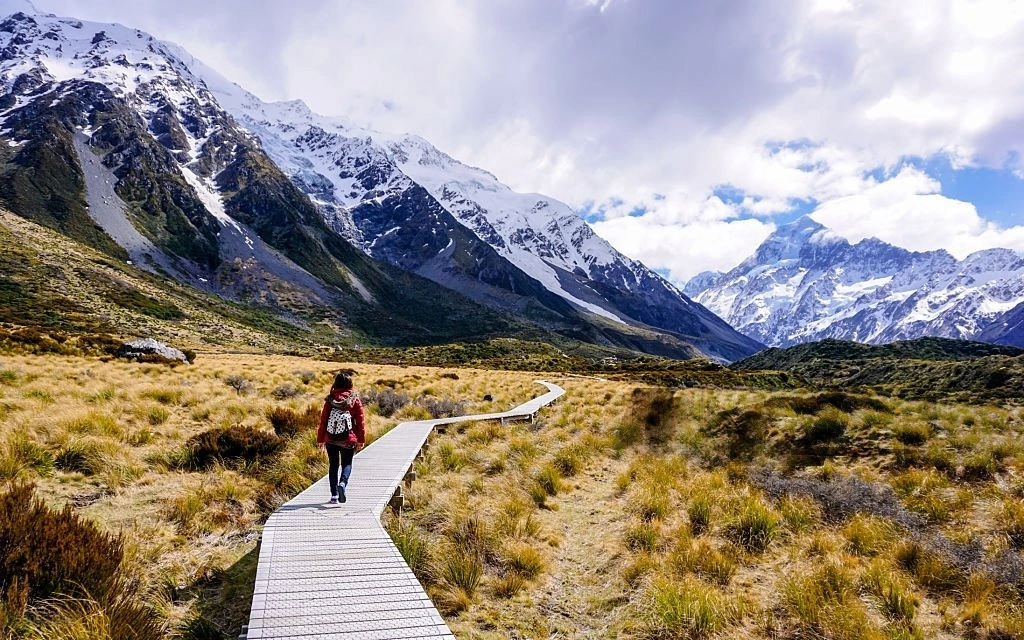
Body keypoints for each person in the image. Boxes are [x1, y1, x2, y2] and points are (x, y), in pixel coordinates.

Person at [317, 372, 365, 503]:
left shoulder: (330, 400)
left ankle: (334, 495)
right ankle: (342, 484)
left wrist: (320, 439)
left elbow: (323, 421)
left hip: (330, 438)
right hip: (348, 439)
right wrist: (361, 440)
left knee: (333, 465)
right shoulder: (354, 399)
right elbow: (360, 422)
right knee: (347, 463)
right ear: (350, 384)